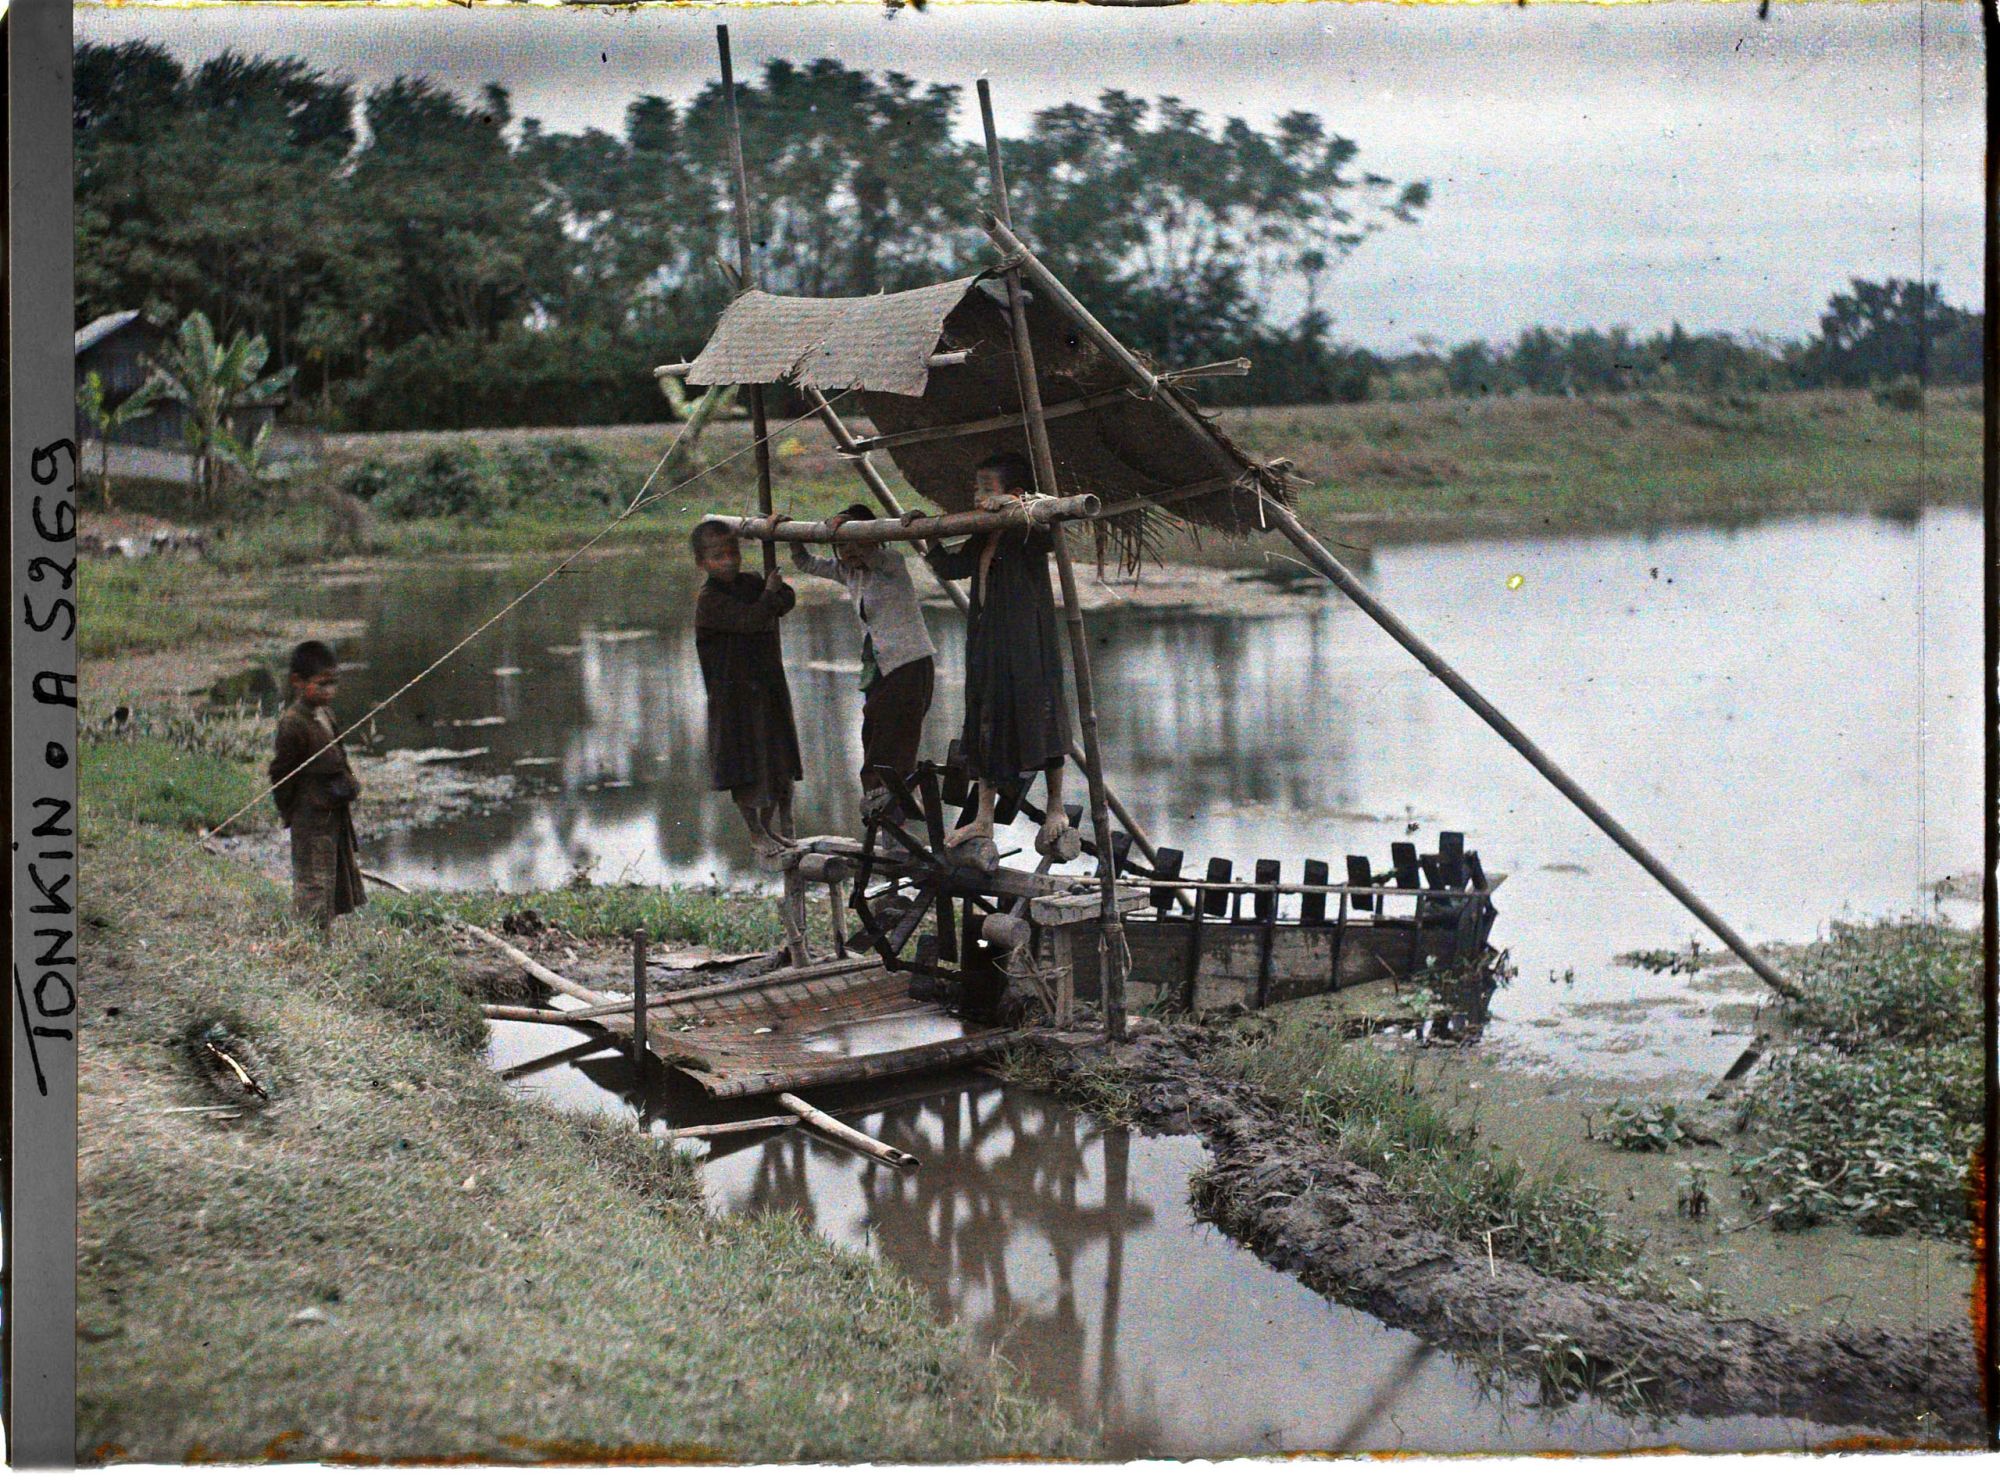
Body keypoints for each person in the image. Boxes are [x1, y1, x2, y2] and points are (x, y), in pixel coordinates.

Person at [927, 452, 1074, 857]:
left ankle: (1055, 806)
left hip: (1028, 644)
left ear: (1013, 493)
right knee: (986, 719)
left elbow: (1047, 527)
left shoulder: (1027, 527)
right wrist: (929, 537)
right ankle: (984, 816)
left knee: (1042, 714)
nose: (979, 497)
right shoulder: (984, 532)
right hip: (989, 643)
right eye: (978, 489)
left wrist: (1014, 506)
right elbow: (954, 567)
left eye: (986, 489)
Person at [789, 503, 938, 821]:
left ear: (874, 542)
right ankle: (887, 795)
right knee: (873, 726)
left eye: (858, 544)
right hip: (880, 665)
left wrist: (850, 533)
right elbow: (805, 562)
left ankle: (890, 794)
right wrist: (790, 532)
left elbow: (872, 556)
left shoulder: (890, 564)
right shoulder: (848, 571)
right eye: (842, 546)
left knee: (896, 729)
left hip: (910, 660)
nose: (849, 553)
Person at [691, 519, 803, 864]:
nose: (728, 561)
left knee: (776, 756)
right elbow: (751, 620)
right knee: (745, 764)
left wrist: (777, 591)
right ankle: (754, 829)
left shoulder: (752, 582)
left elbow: (784, 602)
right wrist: (769, 595)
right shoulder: (709, 600)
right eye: (717, 556)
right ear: (702, 563)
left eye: (733, 553)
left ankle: (774, 824)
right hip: (734, 695)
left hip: (765, 686)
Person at [270, 640, 367, 932]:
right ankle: (310, 941)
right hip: (311, 819)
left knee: (332, 880)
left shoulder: (326, 715)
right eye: (321, 684)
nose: (329, 691)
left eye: (333, 683)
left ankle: (323, 937)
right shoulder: (292, 724)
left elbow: (339, 758)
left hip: (332, 816)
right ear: (298, 682)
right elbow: (281, 775)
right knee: (313, 883)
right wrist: (294, 812)